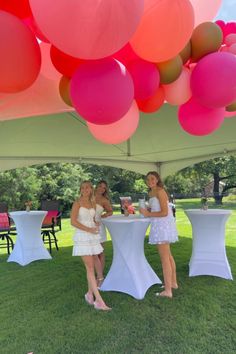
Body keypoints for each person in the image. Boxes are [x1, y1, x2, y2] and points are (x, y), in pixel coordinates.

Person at [71, 180, 111, 311]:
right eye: (83, 188)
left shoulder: (93, 203)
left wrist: (96, 224)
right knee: (89, 268)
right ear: (80, 190)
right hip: (83, 237)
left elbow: (92, 219)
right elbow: (73, 222)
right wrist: (88, 229)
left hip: (93, 235)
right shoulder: (77, 203)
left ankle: (89, 295)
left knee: (93, 264)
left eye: (87, 187)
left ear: (91, 189)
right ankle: (99, 301)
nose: (85, 189)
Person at [139, 171, 178, 298]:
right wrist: (147, 210)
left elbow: (164, 212)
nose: (150, 181)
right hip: (159, 224)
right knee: (169, 256)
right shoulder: (151, 192)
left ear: (157, 179)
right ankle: (173, 283)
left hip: (162, 226)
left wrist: (148, 214)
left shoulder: (160, 191)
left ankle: (167, 291)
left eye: (152, 179)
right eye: (148, 179)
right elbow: (157, 209)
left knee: (164, 259)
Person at [94, 180, 113, 287]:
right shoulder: (89, 197)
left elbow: (110, 211)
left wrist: (104, 215)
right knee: (93, 253)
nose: (102, 189)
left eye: (104, 188)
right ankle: (97, 274)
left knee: (100, 252)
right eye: (100, 186)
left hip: (99, 227)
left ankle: (100, 277)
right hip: (88, 227)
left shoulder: (104, 200)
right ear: (96, 186)